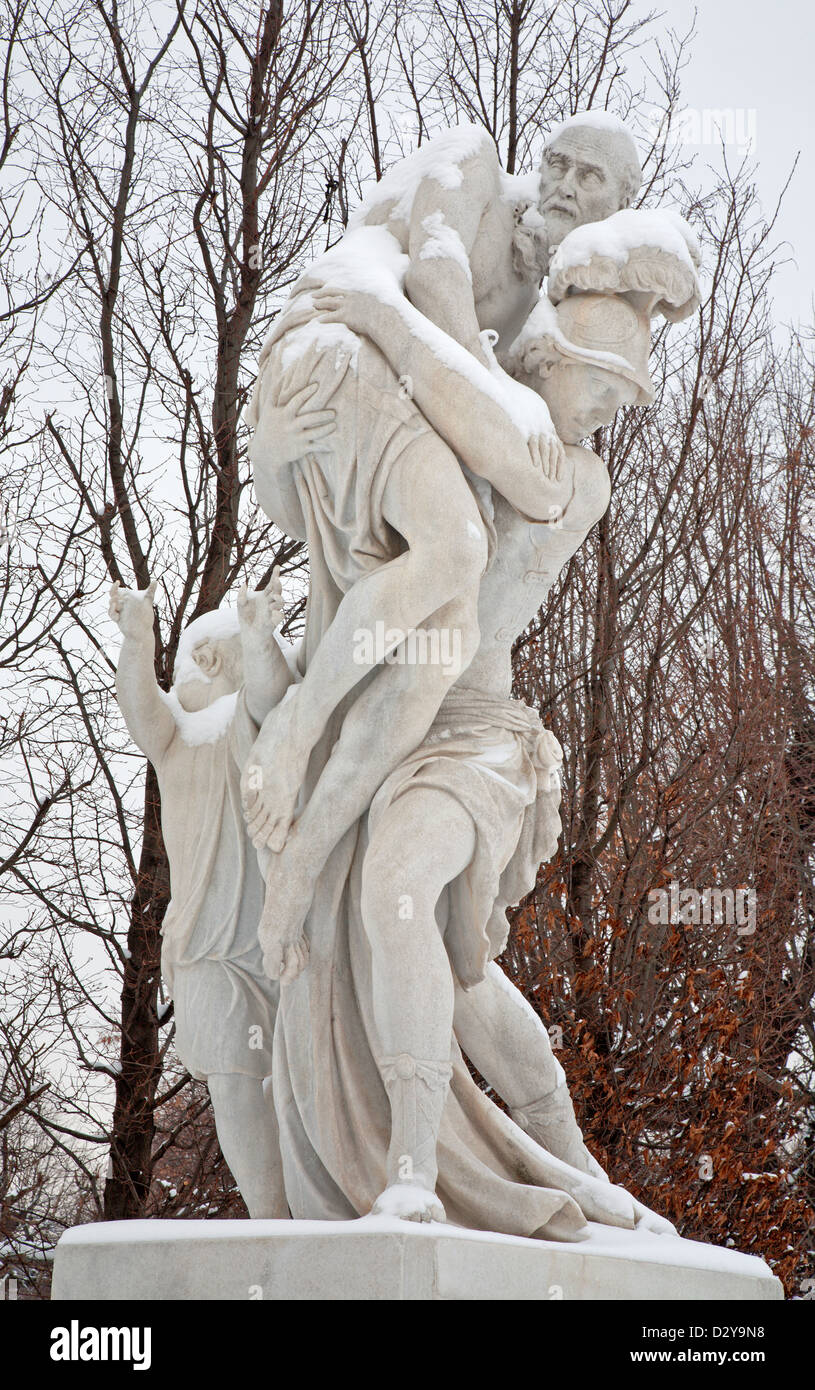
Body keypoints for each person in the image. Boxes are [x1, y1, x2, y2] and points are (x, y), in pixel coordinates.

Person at [242, 116, 643, 977]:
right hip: (339, 354)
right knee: (456, 545)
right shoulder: (471, 165)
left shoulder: (556, 302)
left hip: (388, 395)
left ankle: (301, 866)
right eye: (557, 164)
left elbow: (533, 471)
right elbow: (431, 276)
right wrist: (498, 401)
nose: (565, 184)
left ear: (621, 202)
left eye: (592, 177)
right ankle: (292, 730)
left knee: (438, 643)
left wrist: (502, 416)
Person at [109, 574, 294, 1218]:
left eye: (202, 657)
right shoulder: (178, 741)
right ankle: (275, 1222)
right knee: (238, 1082)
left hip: (278, 940)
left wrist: (260, 634)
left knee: (294, 1082)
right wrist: (137, 639)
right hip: (208, 946)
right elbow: (142, 706)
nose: (191, 669)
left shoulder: (254, 726)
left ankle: (308, 1214)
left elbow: (271, 696)